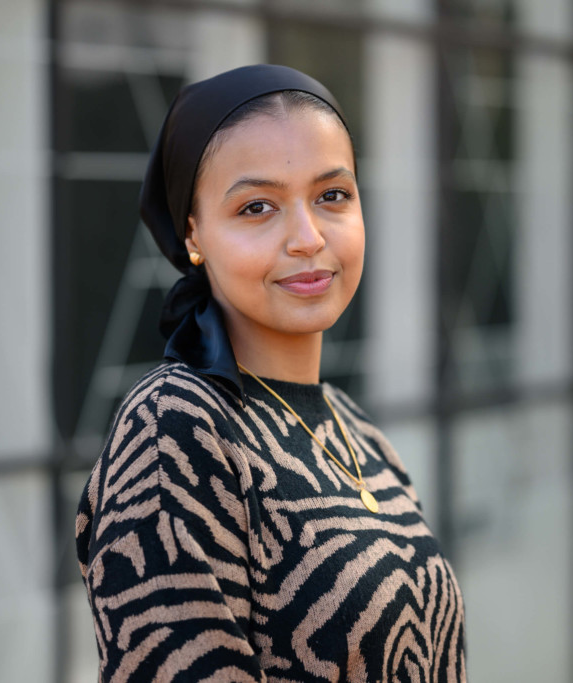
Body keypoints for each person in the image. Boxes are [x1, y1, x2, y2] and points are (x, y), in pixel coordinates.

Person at [75, 64, 466, 682]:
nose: (308, 237)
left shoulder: (358, 431)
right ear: (194, 233)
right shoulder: (175, 428)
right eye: (257, 207)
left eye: (332, 195)